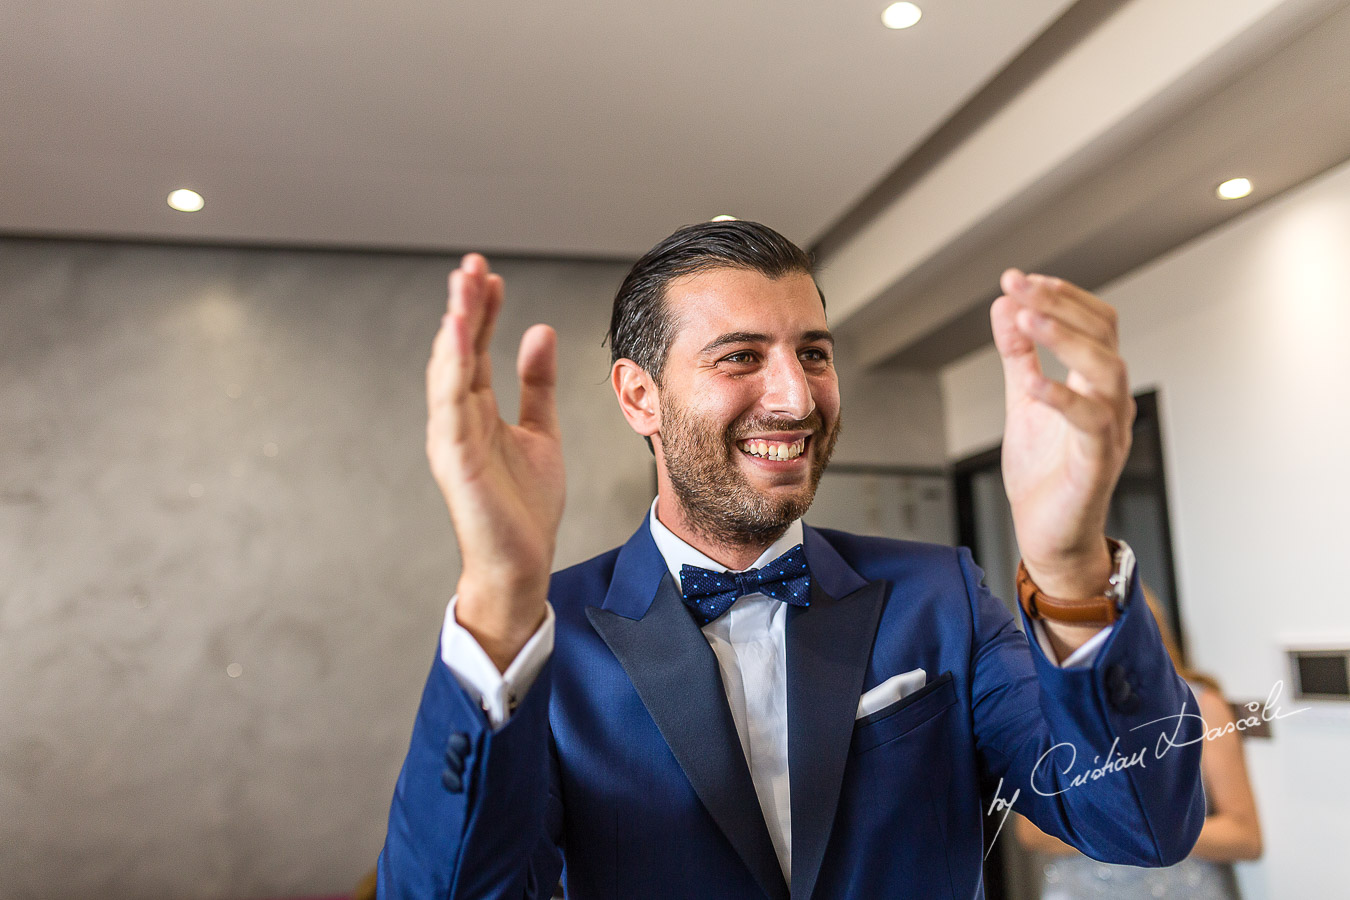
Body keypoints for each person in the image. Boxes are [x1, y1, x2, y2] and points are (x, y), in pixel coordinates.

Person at [379, 221, 1205, 899]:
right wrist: (497, 593)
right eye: (740, 356)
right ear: (640, 397)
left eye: (813, 352)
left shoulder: (939, 595)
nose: (797, 397)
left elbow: (1140, 824)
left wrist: (1067, 567)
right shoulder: (539, 636)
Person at [1014, 587, 1262, 899]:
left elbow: (1245, 837)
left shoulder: (1202, 706)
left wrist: (1136, 832)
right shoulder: (1049, 714)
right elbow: (1032, 832)